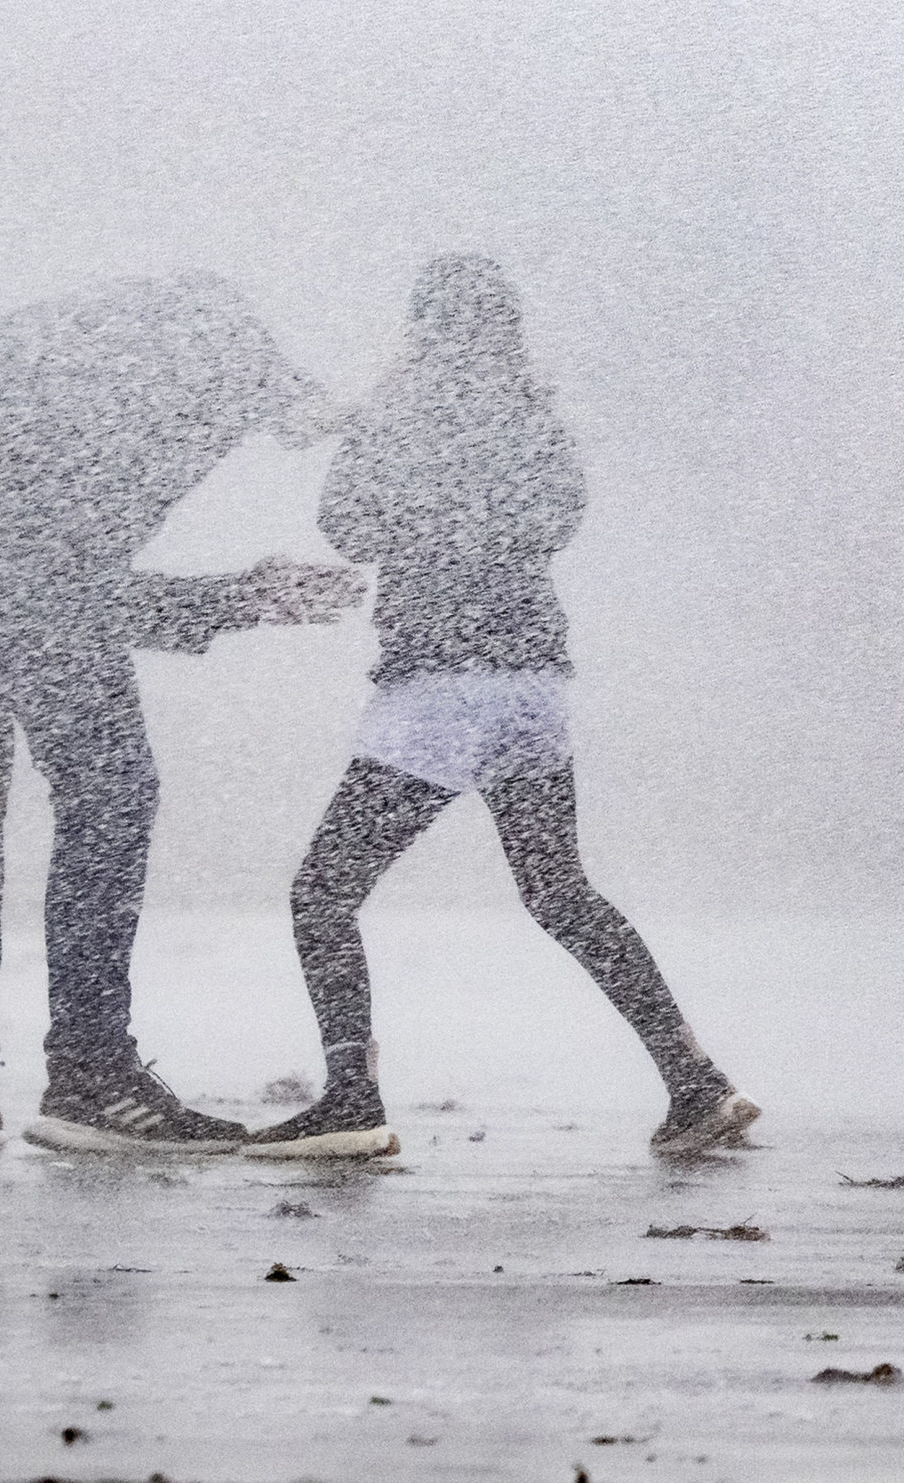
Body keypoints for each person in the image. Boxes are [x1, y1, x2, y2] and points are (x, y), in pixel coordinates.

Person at [0, 275, 358, 1154]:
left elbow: (48, 582)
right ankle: (90, 1075)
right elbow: (64, 594)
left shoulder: (101, 361)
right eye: (246, 413)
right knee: (110, 786)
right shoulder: (141, 412)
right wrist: (242, 597)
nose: (236, 441)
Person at [245, 255, 758, 1161]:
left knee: (323, 892)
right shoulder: (535, 412)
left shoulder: (398, 407)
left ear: (422, 325)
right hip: (532, 680)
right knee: (559, 890)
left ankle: (352, 1102)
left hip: (441, 684)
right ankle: (696, 1082)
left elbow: (346, 525)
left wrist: (403, 484)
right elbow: (559, 521)